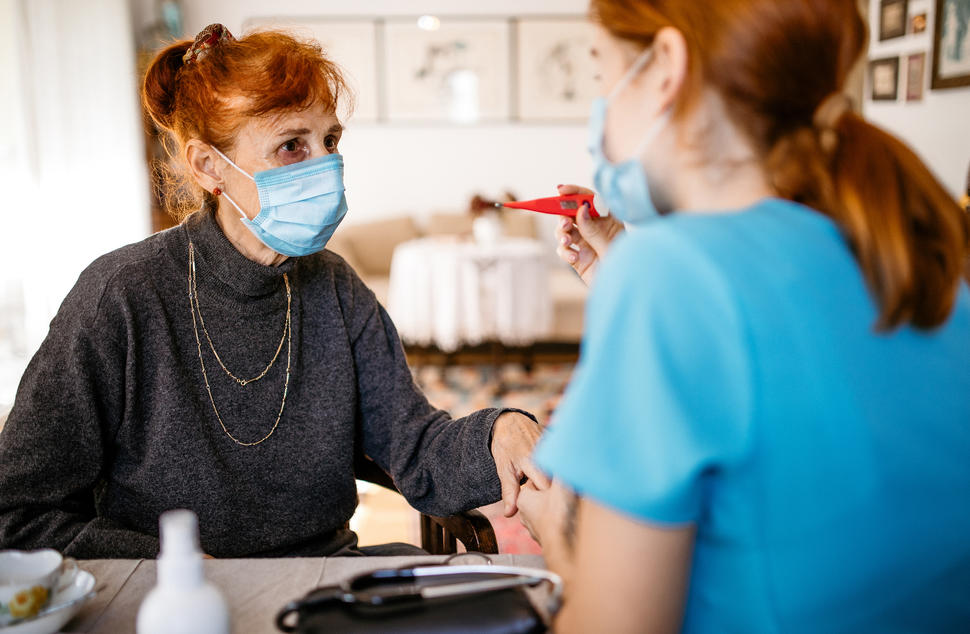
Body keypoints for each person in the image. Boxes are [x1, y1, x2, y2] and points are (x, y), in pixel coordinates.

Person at [0, 25, 548, 559]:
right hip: (165, 598)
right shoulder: (120, 296)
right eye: (292, 145)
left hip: (321, 577)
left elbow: (415, 443)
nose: (326, 166)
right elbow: (21, 513)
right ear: (209, 165)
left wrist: (498, 431)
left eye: (330, 140)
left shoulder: (336, 289)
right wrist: (174, 567)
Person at [516, 1, 970, 632]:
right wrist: (623, 274)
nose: (599, 107)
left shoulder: (672, 278)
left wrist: (556, 541)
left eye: (599, 74)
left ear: (666, 66)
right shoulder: (912, 251)